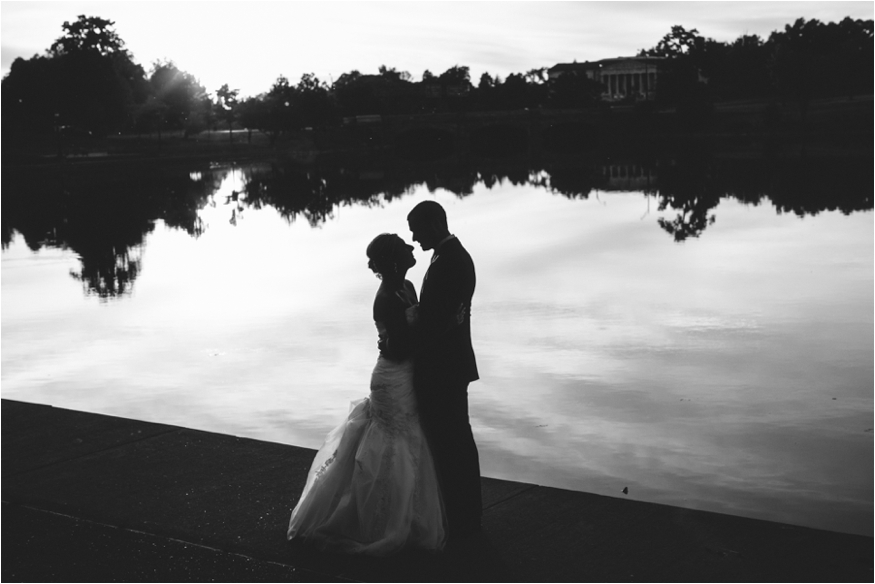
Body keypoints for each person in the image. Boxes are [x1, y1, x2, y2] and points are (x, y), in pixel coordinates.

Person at [287, 233, 446, 555]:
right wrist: (425, 337)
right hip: (393, 378)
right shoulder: (387, 296)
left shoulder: (407, 287)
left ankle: (401, 515)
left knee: (405, 444)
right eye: (404, 245)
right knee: (392, 446)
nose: (411, 246)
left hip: (404, 375)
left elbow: (400, 340)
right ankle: (379, 521)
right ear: (394, 259)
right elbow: (399, 349)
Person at [407, 200, 482, 539]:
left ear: (435, 225)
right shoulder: (446, 256)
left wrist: (410, 331)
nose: (413, 237)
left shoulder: (453, 260)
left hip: (445, 366)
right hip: (448, 364)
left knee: (454, 440)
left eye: (416, 229)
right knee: (452, 438)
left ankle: (464, 514)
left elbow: (441, 321)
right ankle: (460, 511)